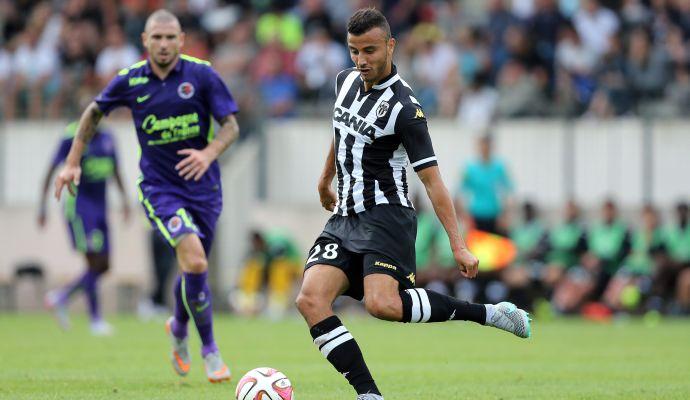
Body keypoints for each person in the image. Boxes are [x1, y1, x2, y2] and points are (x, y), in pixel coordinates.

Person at [294, 9, 531, 400]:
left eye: (369, 50)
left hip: (387, 215)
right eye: (354, 51)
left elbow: (433, 181)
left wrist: (458, 243)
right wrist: (324, 179)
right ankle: (369, 395)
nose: (361, 60)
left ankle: (488, 313)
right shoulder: (344, 82)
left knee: (382, 305)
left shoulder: (406, 109)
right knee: (310, 299)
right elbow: (340, 130)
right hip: (345, 215)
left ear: (390, 46)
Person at [54, 9, 240, 383]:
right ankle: (210, 351)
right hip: (160, 188)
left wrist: (207, 153)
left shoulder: (202, 74)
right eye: (157, 37)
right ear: (145, 41)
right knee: (197, 262)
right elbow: (93, 112)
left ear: (181, 40)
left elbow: (231, 126)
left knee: (192, 266)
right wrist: (73, 160)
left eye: (171, 37)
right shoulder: (131, 80)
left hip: (204, 189)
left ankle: (177, 327)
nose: (164, 44)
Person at [40, 121, 129, 335]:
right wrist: (41, 206)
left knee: (104, 265)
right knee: (93, 260)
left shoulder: (108, 137)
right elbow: (51, 169)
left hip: (101, 207)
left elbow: (116, 169)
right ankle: (95, 319)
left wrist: (125, 200)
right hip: (79, 207)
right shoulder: (71, 136)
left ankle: (61, 297)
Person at [457, 135, 514, 235]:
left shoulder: (499, 167)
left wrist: (505, 214)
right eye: (482, 145)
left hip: (495, 216)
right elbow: (460, 192)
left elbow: (508, 191)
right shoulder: (471, 168)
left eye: (487, 146)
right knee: (477, 248)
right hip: (476, 215)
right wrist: (464, 216)